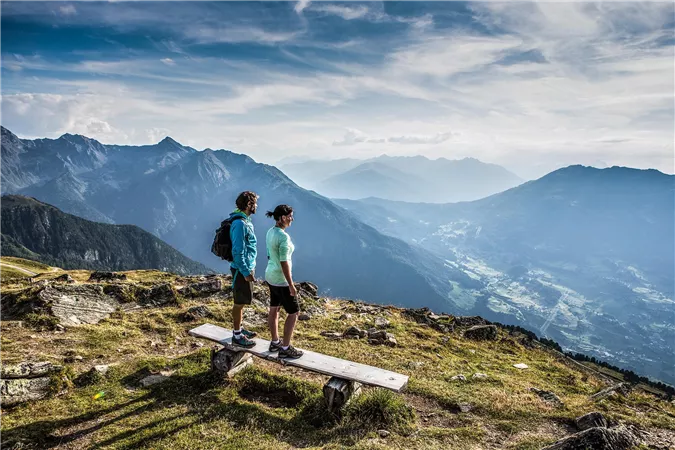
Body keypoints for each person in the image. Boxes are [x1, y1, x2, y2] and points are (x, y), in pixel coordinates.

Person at [265, 204, 303, 359]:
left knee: (274, 308)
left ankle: (275, 342)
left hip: (270, 276)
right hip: (281, 280)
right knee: (294, 312)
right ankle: (285, 347)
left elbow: (270, 254)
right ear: (281, 218)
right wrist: (291, 284)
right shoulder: (283, 237)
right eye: (289, 216)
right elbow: (284, 262)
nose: (291, 219)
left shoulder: (270, 232)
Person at [229, 191, 259, 348]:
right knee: (239, 302)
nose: (256, 206)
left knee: (242, 301)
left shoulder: (245, 221)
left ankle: (239, 329)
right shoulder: (240, 224)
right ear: (249, 205)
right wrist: (246, 272)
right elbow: (237, 252)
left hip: (246, 267)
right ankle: (237, 335)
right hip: (242, 270)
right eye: (254, 203)